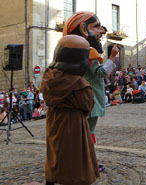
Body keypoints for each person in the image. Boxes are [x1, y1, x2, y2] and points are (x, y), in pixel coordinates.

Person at [63, 11, 118, 172]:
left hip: (78, 97)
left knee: (81, 132)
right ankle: (87, 162)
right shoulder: (89, 52)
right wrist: (112, 57)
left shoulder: (70, 51)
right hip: (90, 98)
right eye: (97, 27)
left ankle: (82, 161)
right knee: (88, 132)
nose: (101, 31)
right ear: (83, 29)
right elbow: (100, 73)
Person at [40, 35, 99, 185]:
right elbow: (88, 105)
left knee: (55, 152)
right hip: (73, 122)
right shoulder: (79, 83)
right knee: (75, 155)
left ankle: (52, 179)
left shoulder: (49, 76)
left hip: (54, 118)